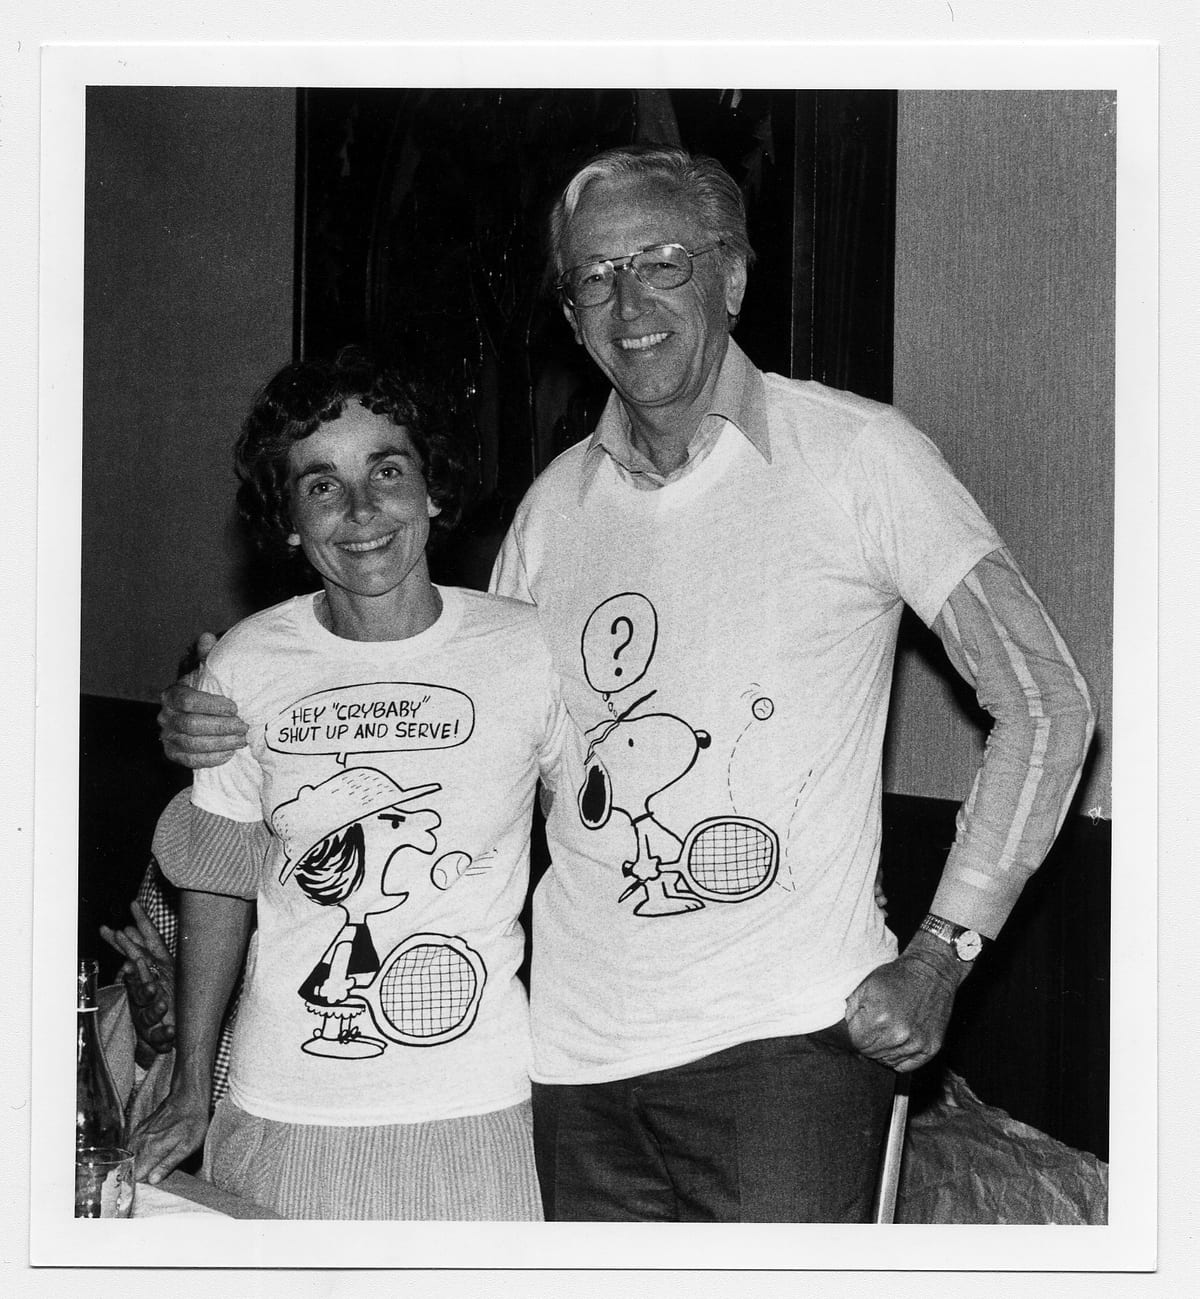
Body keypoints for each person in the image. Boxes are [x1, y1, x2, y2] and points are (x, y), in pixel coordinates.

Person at [160, 145, 1096, 1223]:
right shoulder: (553, 511)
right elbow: (459, 728)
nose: (629, 302)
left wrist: (942, 951)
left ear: (730, 278)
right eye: (594, 277)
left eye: (660, 262)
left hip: (784, 1052)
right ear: (571, 315)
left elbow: (1046, 700)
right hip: (566, 1069)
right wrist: (225, 707)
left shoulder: (859, 455)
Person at [134, 350, 569, 1220]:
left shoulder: (530, 647)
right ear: (290, 521)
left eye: (388, 471)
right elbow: (217, 886)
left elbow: (596, 842)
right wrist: (189, 1086)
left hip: (477, 1109)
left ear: (433, 490)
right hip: (281, 1115)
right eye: (322, 485)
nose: (362, 511)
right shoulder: (246, 663)